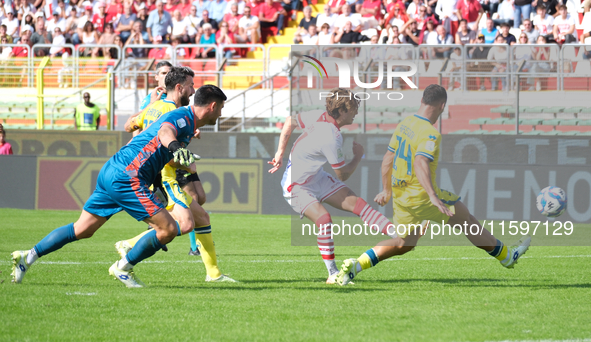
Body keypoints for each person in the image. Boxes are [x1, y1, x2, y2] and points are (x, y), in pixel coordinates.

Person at [11, 79, 227, 288]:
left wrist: (177, 161)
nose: (220, 114)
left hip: (113, 170)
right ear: (212, 106)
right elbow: (164, 132)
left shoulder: (188, 127)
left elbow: (159, 153)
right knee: (168, 229)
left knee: (82, 229)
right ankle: (123, 267)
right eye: (221, 109)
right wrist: (175, 146)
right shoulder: (183, 117)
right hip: (128, 176)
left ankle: (27, 257)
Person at [334, 85, 531, 286]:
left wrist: (386, 190)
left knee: (404, 243)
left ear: (422, 100)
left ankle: (355, 267)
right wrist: (432, 196)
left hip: (402, 197)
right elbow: (420, 162)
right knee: (467, 221)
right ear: (442, 106)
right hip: (421, 195)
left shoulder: (405, 124)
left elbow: (387, 159)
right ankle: (507, 256)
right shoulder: (430, 133)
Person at [268, 88, 398, 283]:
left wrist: (279, 152)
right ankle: (332, 274)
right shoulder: (331, 136)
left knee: (359, 205)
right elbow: (343, 174)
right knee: (324, 219)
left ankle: (398, 235)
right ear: (343, 110)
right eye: (353, 108)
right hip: (296, 185)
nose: (355, 112)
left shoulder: (318, 116)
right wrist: (358, 156)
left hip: (316, 177)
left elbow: (290, 121)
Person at [119, 70, 234, 282]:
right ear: (179, 87)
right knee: (183, 223)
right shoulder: (175, 111)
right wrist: (181, 153)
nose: (192, 90)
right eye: (190, 85)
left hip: (151, 169)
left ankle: (214, 274)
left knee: (201, 216)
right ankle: (130, 246)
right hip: (164, 174)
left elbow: (129, 126)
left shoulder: (153, 107)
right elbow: (164, 136)